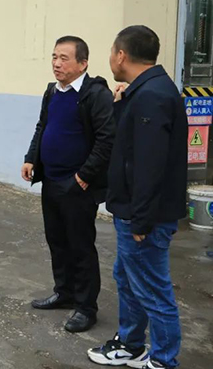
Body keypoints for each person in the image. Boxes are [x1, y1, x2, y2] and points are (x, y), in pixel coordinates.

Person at [87, 26, 186, 369]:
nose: (110, 58)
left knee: (153, 291)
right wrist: (120, 106)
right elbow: (131, 145)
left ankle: (163, 360)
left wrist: (141, 220)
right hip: (135, 211)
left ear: (121, 55)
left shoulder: (152, 96)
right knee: (129, 280)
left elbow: (149, 165)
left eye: (111, 51)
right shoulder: (144, 92)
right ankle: (130, 345)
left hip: (144, 216)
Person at [22, 36, 115, 333]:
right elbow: (43, 126)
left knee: (80, 246)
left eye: (64, 58)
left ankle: (86, 307)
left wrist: (84, 176)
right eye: (54, 57)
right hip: (51, 180)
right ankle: (64, 292)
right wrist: (31, 158)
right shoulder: (52, 91)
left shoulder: (95, 94)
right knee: (57, 241)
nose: (57, 63)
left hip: (77, 186)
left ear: (83, 63)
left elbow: (106, 139)